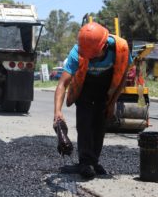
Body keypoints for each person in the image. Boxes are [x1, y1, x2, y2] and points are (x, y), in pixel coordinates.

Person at [54, 22, 133, 179]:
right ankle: (85, 162)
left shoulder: (120, 49)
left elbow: (123, 77)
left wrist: (112, 103)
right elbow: (63, 83)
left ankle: (93, 161)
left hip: (105, 91)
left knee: (99, 126)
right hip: (85, 91)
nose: (88, 57)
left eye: (92, 55)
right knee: (84, 123)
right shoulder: (78, 52)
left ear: (103, 47)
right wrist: (58, 111)